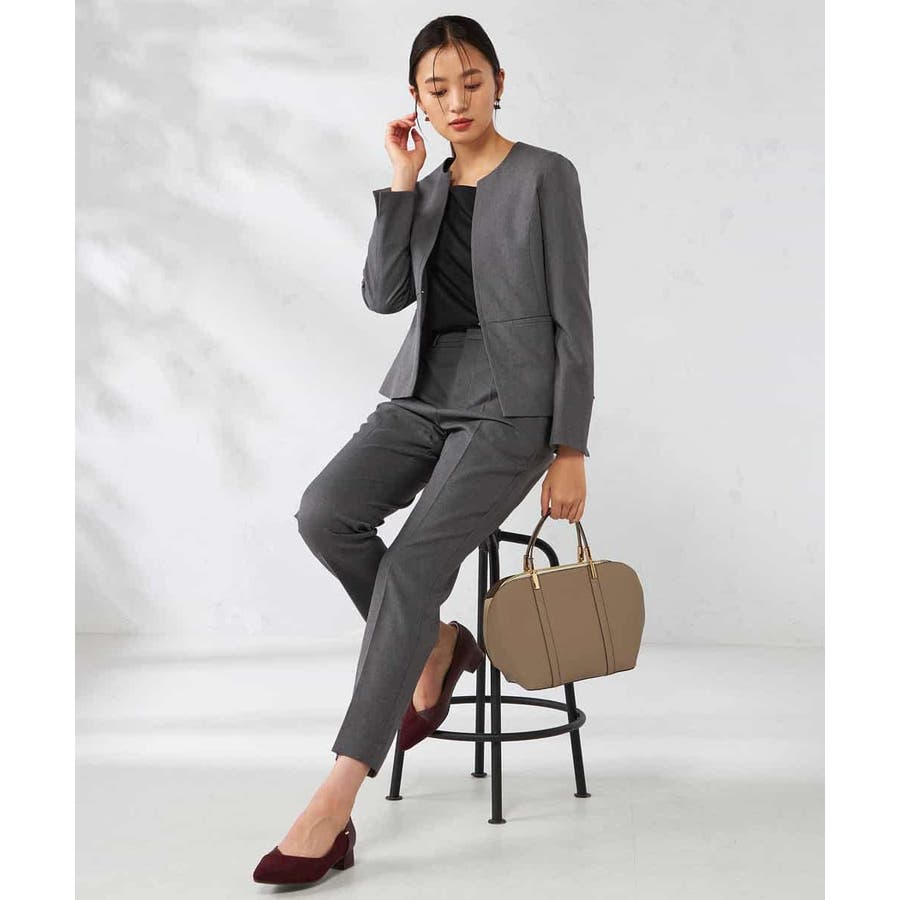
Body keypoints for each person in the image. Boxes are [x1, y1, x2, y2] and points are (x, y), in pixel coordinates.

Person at [253, 15, 594, 886]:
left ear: (500, 82)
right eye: (437, 89)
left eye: (471, 82)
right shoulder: (429, 187)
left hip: (511, 412)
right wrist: (402, 182)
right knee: (325, 514)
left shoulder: (545, 175)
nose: (457, 101)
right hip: (421, 395)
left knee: (409, 568)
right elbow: (382, 296)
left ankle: (333, 803)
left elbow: (573, 315)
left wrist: (571, 445)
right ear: (416, 99)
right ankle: (436, 645)